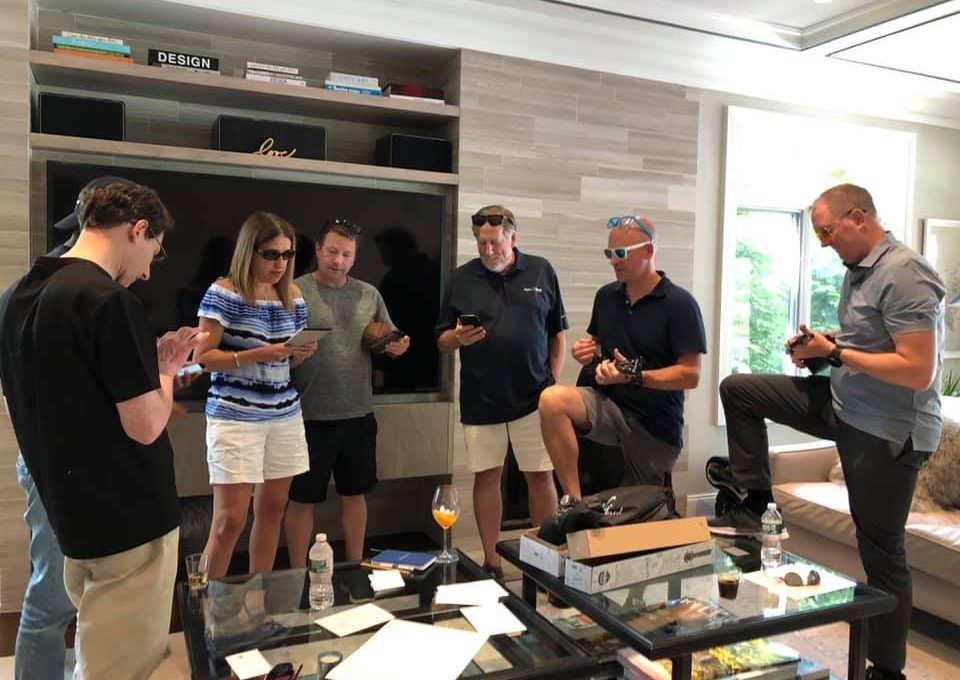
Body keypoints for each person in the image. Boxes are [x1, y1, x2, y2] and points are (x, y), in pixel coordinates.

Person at [709, 184, 944, 680]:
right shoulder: (858, 271)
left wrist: (835, 354)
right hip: (843, 403)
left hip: (887, 432)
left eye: (827, 231)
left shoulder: (905, 271)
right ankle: (752, 504)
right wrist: (823, 345)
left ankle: (887, 670)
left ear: (858, 217)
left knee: (881, 552)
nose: (822, 242)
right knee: (739, 389)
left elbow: (918, 369)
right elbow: (872, 340)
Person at [0, 178, 202, 680]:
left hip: (72, 515)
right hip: (129, 520)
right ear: (138, 229)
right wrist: (165, 370)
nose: (149, 270)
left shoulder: (15, 296)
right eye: (153, 252)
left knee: (96, 650)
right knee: (120, 666)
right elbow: (146, 425)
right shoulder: (108, 301)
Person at [436, 205, 567, 579]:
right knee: (486, 477)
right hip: (482, 399)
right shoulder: (462, 278)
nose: (488, 250)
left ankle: (545, 560)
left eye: (495, 242)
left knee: (539, 475)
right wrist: (456, 338)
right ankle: (491, 561)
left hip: (533, 397)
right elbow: (441, 340)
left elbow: (557, 331)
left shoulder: (542, 270)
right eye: (482, 244)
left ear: (513, 237)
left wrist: (552, 384)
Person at [538, 214, 706, 503]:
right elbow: (598, 345)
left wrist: (634, 375)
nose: (614, 261)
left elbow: (691, 375)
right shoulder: (606, 297)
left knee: (635, 520)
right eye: (609, 253)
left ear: (649, 251)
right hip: (610, 406)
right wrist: (585, 350)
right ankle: (574, 503)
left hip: (654, 426)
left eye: (621, 253)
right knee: (551, 400)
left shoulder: (680, 304)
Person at [196, 212, 317, 578]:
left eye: (287, 254)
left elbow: (284, 363)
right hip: (234, 416)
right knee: (228, 521)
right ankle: (208, 611)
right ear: (249, 251)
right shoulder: (223, 292)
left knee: (272, 512)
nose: (280, 264)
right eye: (271, 254)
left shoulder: (293, 296)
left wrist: (297, 355)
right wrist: (259, 354)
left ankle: (256, 601)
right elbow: (202, 359)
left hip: (283, 415)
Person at [284, 219, 409, 564]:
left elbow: (390, 336)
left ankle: (355, 566)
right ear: (318, 250)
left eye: (347, 255)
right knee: (301, 499)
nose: (338, 261)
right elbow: (277, 350)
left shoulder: (369, 294)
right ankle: (296, 574)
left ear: (355, 258)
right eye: (333, 252)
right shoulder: (294, 291)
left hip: (358, 415)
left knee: (355, 496)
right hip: (307, 416)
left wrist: (398, 346)